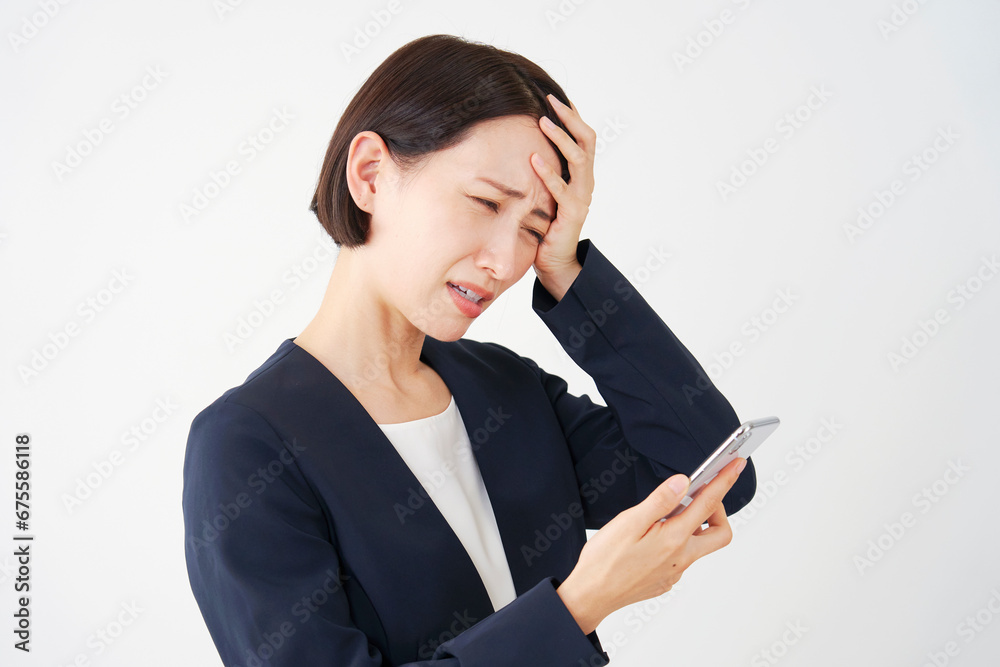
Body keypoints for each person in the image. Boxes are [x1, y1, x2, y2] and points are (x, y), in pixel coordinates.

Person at [182, 33, 757, 667]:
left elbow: (713, 473)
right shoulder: (246, 444)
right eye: (485, 203)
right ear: (370, 174)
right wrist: (575, 609)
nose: (506, 262)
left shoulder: (504, 387)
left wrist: (568, 269)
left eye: (534, 228)